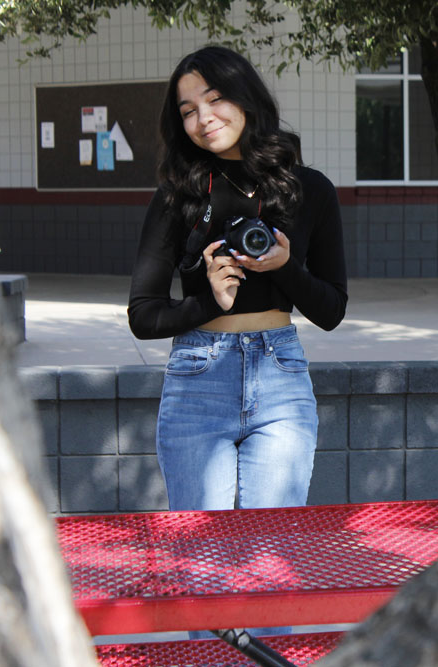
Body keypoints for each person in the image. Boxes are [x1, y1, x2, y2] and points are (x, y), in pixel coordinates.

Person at [128, 45, 348, 514]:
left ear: (244, 97)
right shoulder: (178, 196)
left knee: (269, 554)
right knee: (199, 558)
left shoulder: (310, 190)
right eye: (188, 111)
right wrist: (210, 301)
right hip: (197, 379)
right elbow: (143, 316)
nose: (203, 118)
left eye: (214, 99)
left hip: (280, 379)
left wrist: (283, 268)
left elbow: (331, 311)